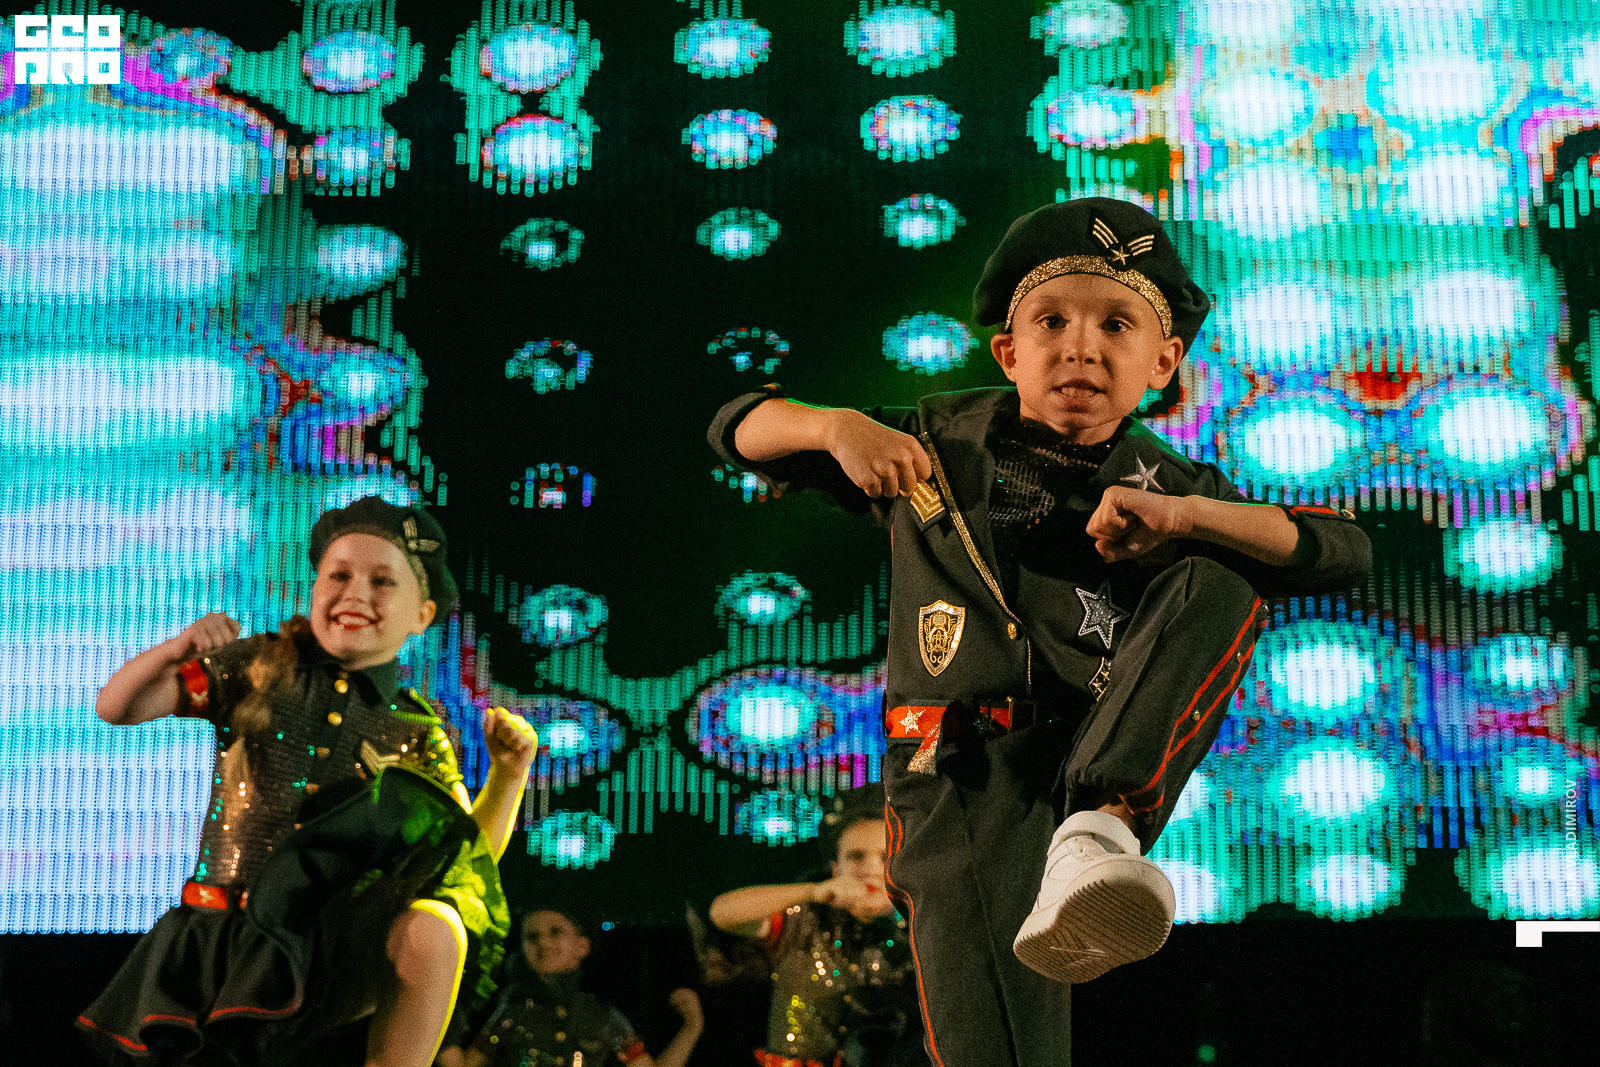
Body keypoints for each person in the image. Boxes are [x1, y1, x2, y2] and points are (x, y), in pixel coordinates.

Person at [707, 197, 1372, 1066]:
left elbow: (1344, 550)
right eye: (1051, 321)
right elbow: (737, 427)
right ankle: (1082, 845)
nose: (1080, 346)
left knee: (1227, 572)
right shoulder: (935, 440)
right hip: (955, 772)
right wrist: (836, 428)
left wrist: (1186, 517)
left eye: (1116, 324)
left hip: (1081, 761)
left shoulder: (1172, 482)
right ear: (1009, 353)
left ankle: (1099, 827)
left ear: (1164, 361)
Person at [77, 495, 539, 1067]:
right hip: (219, 943)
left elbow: (463, 859)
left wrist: (509, 775)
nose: (356, 594)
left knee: (435, 926)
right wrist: (174, 653)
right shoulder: (262, 666)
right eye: (338, 575)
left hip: (322, 957)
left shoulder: (419, 730)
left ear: (422, 615)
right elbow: (117, 707)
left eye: (382, 581)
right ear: (314, 589)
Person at [709, 787, 921, 1067]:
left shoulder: (918, 929)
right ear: (836, 868)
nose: (871, 868)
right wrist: (811, 891)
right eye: (856, 856)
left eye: (884, 857)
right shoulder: (805, 919)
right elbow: (722, 914)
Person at [438, 905, 704, 1067]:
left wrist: (692, 1026)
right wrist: (438, 1015)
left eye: (556, 932)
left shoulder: (602, 1016)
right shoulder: (510, 1013)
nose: (543, 943)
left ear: (582, 946)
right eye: (532, 936)